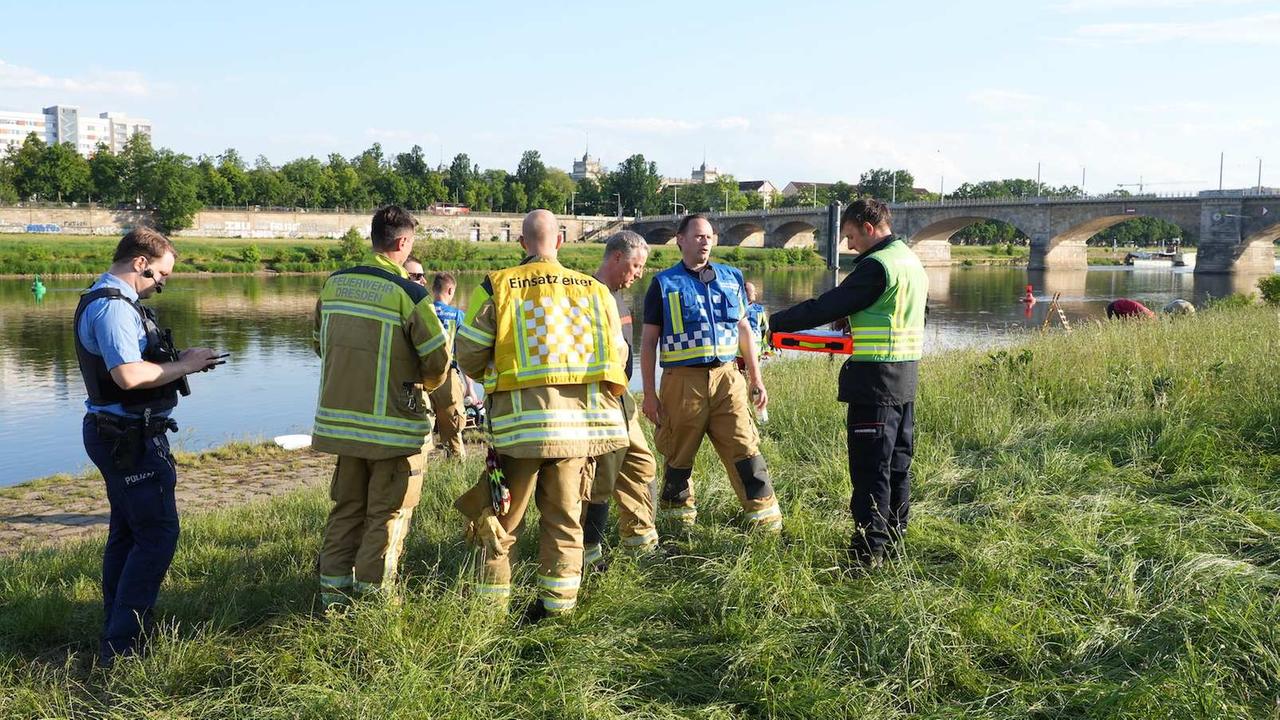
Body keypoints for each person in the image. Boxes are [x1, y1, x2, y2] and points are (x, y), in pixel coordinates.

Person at [453, 209, 629, 621]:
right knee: (565, 520)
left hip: (519, 431)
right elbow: (619, 355)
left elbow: (468, 353)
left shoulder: (499, 286)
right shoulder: (594, 290)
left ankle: (490, 611)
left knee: (501, 522)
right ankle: (558, 611)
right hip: (577, 430)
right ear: (561, 243)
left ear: (521, 243)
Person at [75, 227, 221, 665]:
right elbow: (129, 377)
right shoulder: (114, 309)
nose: (161, 284)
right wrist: (185, 365)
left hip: (118, 433)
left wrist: (181, 363)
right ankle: (124, 647)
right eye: (160, 275)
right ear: (141, 263)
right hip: (129, 439)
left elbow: (138, 366)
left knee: (128, 533)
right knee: (157, 536)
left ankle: (116, 628)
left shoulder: (104, 298)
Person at [769, 199, 928, 566]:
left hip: (874, 383)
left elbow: (826, 305)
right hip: (905, 380)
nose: (849, 245)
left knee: (870, 471)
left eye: (851, 236)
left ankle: (866, 555)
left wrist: (772, 323)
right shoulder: (909, 261)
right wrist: (857, 314)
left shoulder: (876, 266)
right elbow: (911, 312)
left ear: (869, 229)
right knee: (897, 467)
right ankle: (893, 543)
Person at [312, 206, 451, 607]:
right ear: (403, 243)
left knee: (346, 511)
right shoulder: (409, 293)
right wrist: (422, 385)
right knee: (385, 517)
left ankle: (332, 600)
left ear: (374, 236)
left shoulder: (334, 284)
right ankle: (374, 606)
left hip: (341, 427)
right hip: (392, 429)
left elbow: (319, 345)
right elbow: (437, 359)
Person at [640, 214, 782, 532]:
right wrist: (649, 394)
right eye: (698, 236)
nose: (705, 242)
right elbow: (648, 343)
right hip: (682, 382)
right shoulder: (663, 284)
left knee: (745, 447)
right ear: (680, 239)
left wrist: (756, 379)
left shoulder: (731, 277)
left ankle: (765, 523)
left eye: (709, 236)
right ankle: (679, 526)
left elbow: (745, 330)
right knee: (678, 454)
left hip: (728, 378)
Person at [583, 231, 660, 571]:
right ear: (615, 258)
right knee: (599, 480)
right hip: (596, 401)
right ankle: (588, 555)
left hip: (622, 399)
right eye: (635, 265)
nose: (639, 273)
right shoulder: (586, 295)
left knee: (642, 465)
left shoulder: (619, 298)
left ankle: (640, 543)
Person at [737, 281, 769, 371]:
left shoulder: (759, 310)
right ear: (744, 293)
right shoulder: (734, 309)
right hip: (738, 354)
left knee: (752, 377)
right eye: (753, 291)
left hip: (756, 351)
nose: (756, 293)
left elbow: (764, 330)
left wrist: (766, 349)